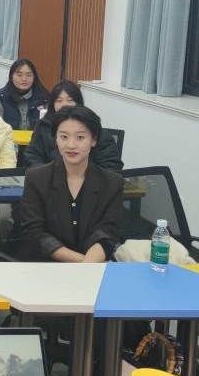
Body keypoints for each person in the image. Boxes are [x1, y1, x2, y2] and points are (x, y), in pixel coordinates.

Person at [18, 106, 123, 262]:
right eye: (64, 137)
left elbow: (108, 232)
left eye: (80, 137)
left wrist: (89, 264)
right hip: (47, 266)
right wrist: (83, 262)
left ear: (94, 140)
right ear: (55, 139)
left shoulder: (112, 182)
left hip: (94, 264)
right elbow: (35, 233)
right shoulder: (36, 178)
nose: (71, 145)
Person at [24, 81, 123, 171]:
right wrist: (48, 174)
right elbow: (32, 155)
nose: (64, 105)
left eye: (70, 100)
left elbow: (112, 165)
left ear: (79, 103)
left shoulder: (92, 127)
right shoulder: (43, 127)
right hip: (49, 181)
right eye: (59, 100)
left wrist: (83, 177)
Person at [0, 58, 50, 132]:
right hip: (8, 138)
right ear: (11, 77)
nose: (24, 79)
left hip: (35, 138)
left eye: (28, 75)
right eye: (19, 75)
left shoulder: (43, 98)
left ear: (34, 77)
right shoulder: (0, 97)